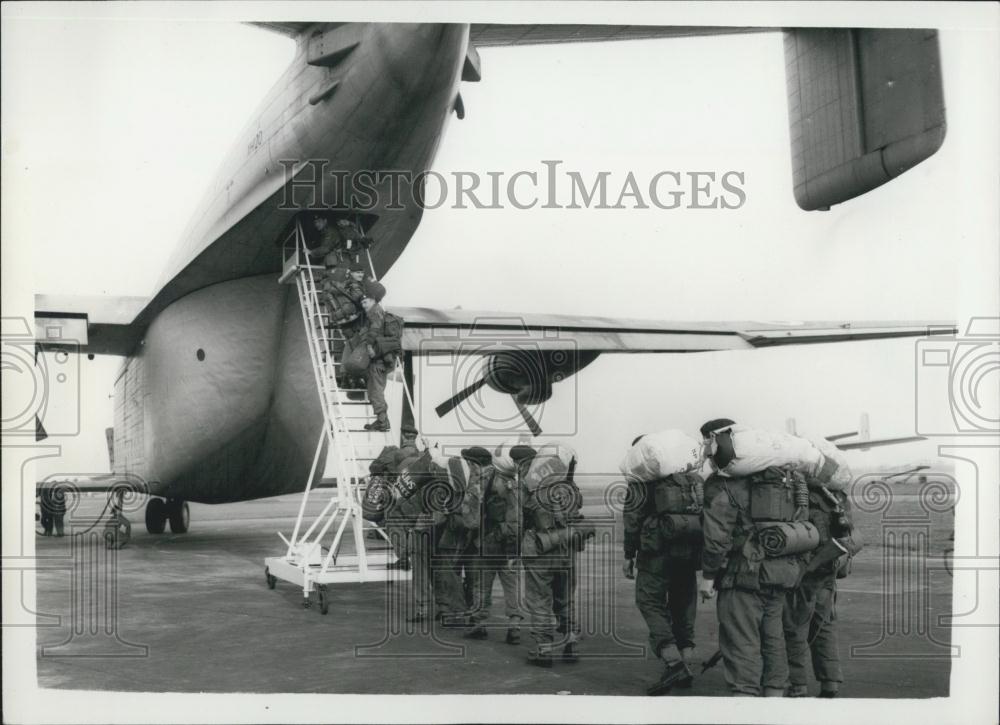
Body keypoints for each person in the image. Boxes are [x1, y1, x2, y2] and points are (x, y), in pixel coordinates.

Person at [700, 417, 807, 696]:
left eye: (706, 441)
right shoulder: (784, 480)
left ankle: (745, 701)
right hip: (781, 572)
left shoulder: (723, 484)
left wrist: (709, 576)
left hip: (742, 575)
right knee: (773, 640)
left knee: (741, 641)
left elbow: (716, 537)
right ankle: (773, 702)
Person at [623, 438, 703, 692]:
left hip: (655, 554)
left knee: (649, 601)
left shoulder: (641, 481)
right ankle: (686, 661)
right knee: (684, 605)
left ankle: (673, 662)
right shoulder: (692, 479)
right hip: (689, 552)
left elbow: (632, 520)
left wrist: (629, 554)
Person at [513, 444, 589, 667]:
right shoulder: (568, 487)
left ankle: (543, 649)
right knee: (565, 598)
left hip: (539, 550)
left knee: (540, 601)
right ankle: (571, 641)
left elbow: (520, 520)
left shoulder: (528, 486)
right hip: (566, 550)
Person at [783, 484, 860, 698]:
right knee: (824, 625)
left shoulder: (800, 493)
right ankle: (830, 681)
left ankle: (797, 684)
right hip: (829, 569)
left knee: (794, 627)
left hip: (806, 571)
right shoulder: (835, 495)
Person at [463, 445, 524, 643]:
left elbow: (470, 520)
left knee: (482, 585)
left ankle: (479, 624)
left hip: (487, 542)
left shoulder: (478, 483)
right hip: (510, 543)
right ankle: (514, 625)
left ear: (473, 464)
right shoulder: (510, 480)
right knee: (511, 586)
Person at [357, 285, 403, 432]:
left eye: (365, 302)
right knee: (376, 389)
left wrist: (369, 345)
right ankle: (382, 420)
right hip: (385, 358)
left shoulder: (374, 313)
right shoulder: (380, 312)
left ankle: (382, 422)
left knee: (375, 391)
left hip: (377, 359)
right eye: (362, 303)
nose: (364, 306)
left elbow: (375, 329)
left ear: (372, 301)